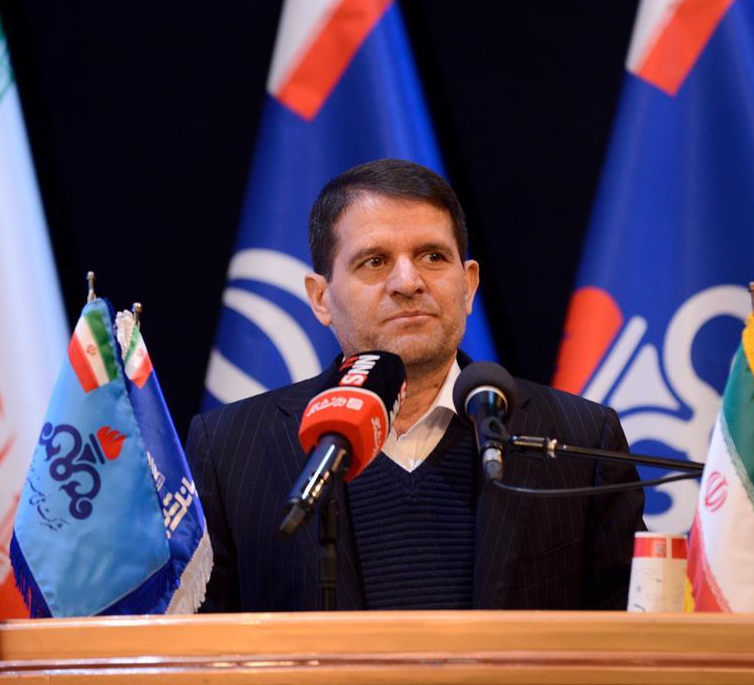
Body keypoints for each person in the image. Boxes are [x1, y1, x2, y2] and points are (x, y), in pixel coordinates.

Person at [186, 159, 644, 611]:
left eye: (432, 257)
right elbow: (197, 641)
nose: (408, 282)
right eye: (375, 261)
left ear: (469, 285)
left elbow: (633, 637)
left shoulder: (582, 438)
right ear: (321, 298)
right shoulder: (229, 449)